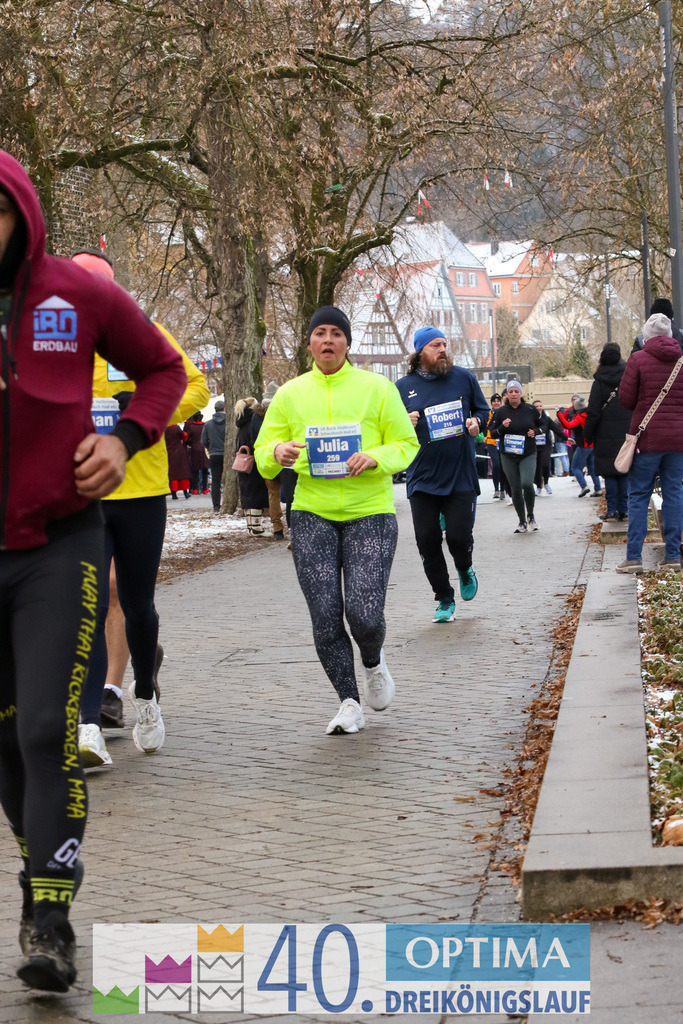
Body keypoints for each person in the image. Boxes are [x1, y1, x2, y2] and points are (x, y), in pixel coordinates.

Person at [0, 151, 186, 991]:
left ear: (21, 216)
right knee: (7, 739)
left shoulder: (77, 294)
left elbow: (165, 370)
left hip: (59, 545)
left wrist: (126, 439)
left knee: (46, 730)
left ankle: (49, 920)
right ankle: (42, 865)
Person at [71, 251, 209, 770]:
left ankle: (146, 692)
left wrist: (145, 412)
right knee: (86, 604)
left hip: (141, 490)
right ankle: (88, 728)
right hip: (81, 494)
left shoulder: (144, 333)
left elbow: (195, 386)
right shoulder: (52, 337)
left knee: (136, 603)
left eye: (97, 285)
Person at [255, 306, 418, 734]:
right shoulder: (290, 394)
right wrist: (276, 453)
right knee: (325, 615)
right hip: (312, 512)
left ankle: (373, 659)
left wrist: (375, 456)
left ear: (348, 343)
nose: (328, 341)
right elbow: (262, 452)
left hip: (370, 512)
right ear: (309, 343)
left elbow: (406, 442)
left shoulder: (377, 388)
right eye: (320, 334)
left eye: (336, 335)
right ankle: (348, 701)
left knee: (364, 614)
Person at [395, 327, 489, 623]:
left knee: (459, 538)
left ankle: (464, 567)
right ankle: (444, 598)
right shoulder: (403, 386)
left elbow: (484, 411)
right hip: (422, 476)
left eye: (445, 344)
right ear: (421, 351)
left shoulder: (463, 378)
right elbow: (389, 430)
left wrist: (476, 422)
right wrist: (403, 424)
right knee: (427, 538)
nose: (443, 349)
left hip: (460, 472)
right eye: (436, 345)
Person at [617, 313, 683, 573]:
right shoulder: (681, 361)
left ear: (647, 336)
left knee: (638, 495)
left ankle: (634, 558)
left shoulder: (638, 359)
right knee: (674, 494)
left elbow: (626, 399)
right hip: (678, 440)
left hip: (647, 439)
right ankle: (673, 557)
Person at [584, 343, 631, 522]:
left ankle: (611, 511)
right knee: (624, 471)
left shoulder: (599, 381)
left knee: (610, 473)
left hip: (604, 434)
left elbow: (593, 412)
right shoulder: (628, 377)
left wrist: (587, 435)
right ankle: (625, 510)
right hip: (626, 432)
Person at [488, 380, 542, 533]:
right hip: (508, 455)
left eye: (516, 391)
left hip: (528, 453)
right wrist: (501, 427)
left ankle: (531, 515)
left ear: (521, 393)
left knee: (526, 483)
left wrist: (535, 432)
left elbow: (543, 425)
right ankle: (522, 521)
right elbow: (491, 432)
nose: (513, 394)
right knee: (516, 488)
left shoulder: (530, 409)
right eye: (510, 391)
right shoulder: (500, 412)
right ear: (507, 394)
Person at [251, 382, 286, 540]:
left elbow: (254, 438)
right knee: (293, 494)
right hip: (285, 456)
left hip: (266, 457)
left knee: (273, 495)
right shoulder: (282, 411)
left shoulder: (256, 416)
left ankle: (277, 528)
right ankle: (293, 527)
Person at [235, 397, 270, 536]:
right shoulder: (253, 421)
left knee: (248, 493)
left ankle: (252, 526)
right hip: (253, 462)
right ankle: (256, 528)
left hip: (243, 462)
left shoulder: (241, 422)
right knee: (256, 493)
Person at [556, 396, 602, 497]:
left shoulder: (580, 417)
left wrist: (559, 414)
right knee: (592, 468)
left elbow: (568, 425)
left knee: (575, 467)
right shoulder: (590, 415)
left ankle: (584, 486)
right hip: (592, 444)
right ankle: (598, 489)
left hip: (583, 445)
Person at [201, 400, 226, 512]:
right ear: (224, 408)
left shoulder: (208, 424)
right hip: (227, 453)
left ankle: (216, 505)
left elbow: (203, 440)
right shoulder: (228, 423)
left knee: (215, 480)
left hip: (214, 453)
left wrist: (210, 448)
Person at [532, 399, 557, 495]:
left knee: (545, 464)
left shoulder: (546, 418)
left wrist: (566, 438)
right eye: (536, 406)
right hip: (535, 445)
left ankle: (546, 482)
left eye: (540, 406)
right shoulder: (531, 419)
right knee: (537, 467)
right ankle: (539, 486)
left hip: (546, 445)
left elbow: (556, 428)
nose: (538, 408)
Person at [184, 411, 210, 494]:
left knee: (195, 469)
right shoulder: (205, 425)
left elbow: (186, 439)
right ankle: (205, 488)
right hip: (204, 448)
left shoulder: (191, 426)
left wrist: (189, 444)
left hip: (195, 449)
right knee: (205, 469)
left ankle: (195, 489)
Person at [485, 394, 505, 499]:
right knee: (496, 464)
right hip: (491, 441)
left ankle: (503, 489)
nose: (496, 403)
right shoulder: (488, 413)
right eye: (494, 401)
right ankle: (496, 488)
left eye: (498, 401)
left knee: (503, 466)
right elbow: (486, 426)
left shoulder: (504, 412)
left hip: (502, 441)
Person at [165, 423, 191, 499]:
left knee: (172, 473)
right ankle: (185, 493)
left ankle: (174, 494)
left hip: (168, 452)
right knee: (182, 472)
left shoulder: (163, 428)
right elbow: (184, 436)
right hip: (179, 452)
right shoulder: (176, 427)